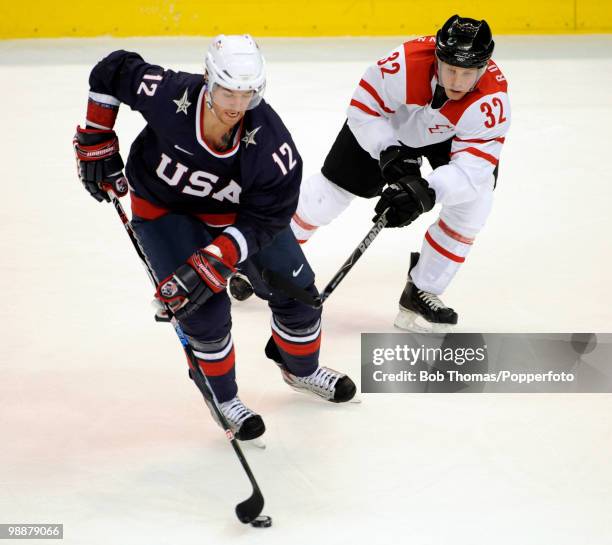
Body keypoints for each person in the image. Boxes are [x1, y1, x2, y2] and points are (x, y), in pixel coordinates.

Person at [73, 34, 356, 442]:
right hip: (165, 212)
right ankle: (225, 399)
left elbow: (268, 218)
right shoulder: (169, 95)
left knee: (299, 294)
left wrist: (217, 256)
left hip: (241, 222)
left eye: (247, 93)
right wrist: (96, 137)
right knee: (203, 313)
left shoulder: (273, 147)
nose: (237, 105)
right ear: (208, 78)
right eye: (227, 91)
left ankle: (302, 369)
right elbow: (113, 69)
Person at [288, 15, 511, 331]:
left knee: (475, 202)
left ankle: (422, 290)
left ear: (484, 67)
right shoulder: (403, 65)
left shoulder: (491, 100)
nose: (458, 82)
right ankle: (270, 254)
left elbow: (473, 168)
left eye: (467, 73)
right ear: (437, 58)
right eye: (451, 70)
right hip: (387, 125)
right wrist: (390, 151)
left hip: (447, 135)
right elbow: (363, 110)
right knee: (329, 195)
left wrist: (426, 193)